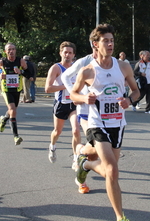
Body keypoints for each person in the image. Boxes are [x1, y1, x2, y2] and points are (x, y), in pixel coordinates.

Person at [71, 24, 139, 221]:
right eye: (106, 41)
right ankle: (120, 216)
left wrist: (130, 100)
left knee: (107, 164)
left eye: (112, 40)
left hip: (117, 123)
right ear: (95, 44)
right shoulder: (88, 71)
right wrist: (85, 99)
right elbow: (73, 95)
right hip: (96, 123)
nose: (110, 44)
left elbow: (136, 91)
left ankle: (86, 163)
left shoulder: (123, 66)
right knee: (112, 170)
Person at [61, 42, 98, 194]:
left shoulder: (111, 63)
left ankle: (80, 152)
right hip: (84, 109)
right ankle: (81, 178)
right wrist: (75, 95)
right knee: (96, 143)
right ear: (94, 45)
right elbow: (65, 76)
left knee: (95, 152)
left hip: (101, 112)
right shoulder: (84, 61)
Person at [45, 41, 81, 168]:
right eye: (65, 52)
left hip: (74, 104)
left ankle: (76, 159)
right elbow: (48, 89)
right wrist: (65, 86)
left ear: (73, 55)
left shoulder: (77, 68)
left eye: (70, 53)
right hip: (61, 103)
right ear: (61, 53)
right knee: (57, 131)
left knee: (76, 130)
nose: (67, 55)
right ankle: (52, 146)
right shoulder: (56, 68)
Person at [0, 42, 30, 145]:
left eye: (13, 49)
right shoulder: (2, 62)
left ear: (15, 50)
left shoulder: (21, 61)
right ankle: (16, 136)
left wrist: (21, 72)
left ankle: (4, 118)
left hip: (17, 89)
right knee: (12, 110)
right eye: (9, 49)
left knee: (12, 111)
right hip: (6, 89)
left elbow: (29, 74)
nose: (11, 51)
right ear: (5, 51)